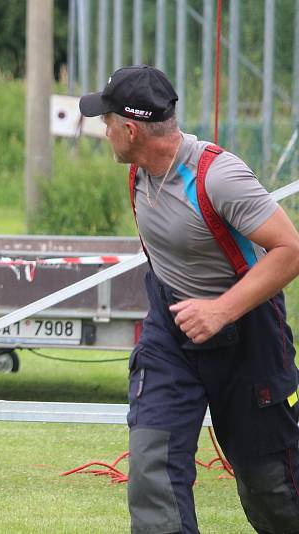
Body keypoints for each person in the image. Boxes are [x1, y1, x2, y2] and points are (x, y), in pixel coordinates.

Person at [80, 65, 299, 534]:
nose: (105, 131)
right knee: (152, 469)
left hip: (249, 335)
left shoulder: (219, 178)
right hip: (171, 332)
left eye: (107, 122)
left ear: (131, 129)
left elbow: (290, 250)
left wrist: (220, 310)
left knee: (271, 487)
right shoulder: (139, 172)